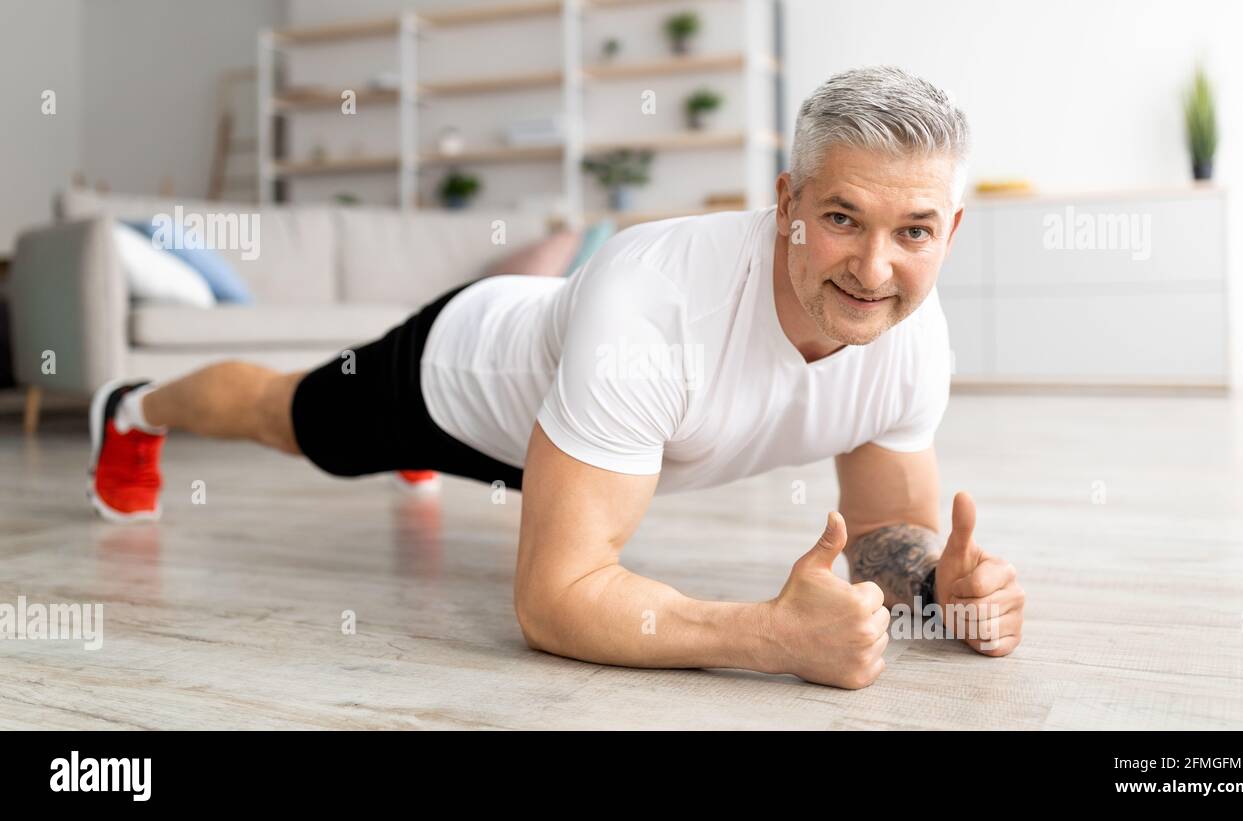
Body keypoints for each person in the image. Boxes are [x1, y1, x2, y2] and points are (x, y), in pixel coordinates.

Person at [88, 66, 1025, 689]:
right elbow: (555, 597)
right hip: (453, 379)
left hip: (571, 438)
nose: (873, 269)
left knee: (561, 474)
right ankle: (133, 409)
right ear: (785, 203)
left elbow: (880, 536)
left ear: (948, 233)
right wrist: (772, 636)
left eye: (913, 231)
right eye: (841, 218)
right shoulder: (657, 300)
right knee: (285, 415)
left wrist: (938, 589)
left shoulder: (912, 329)